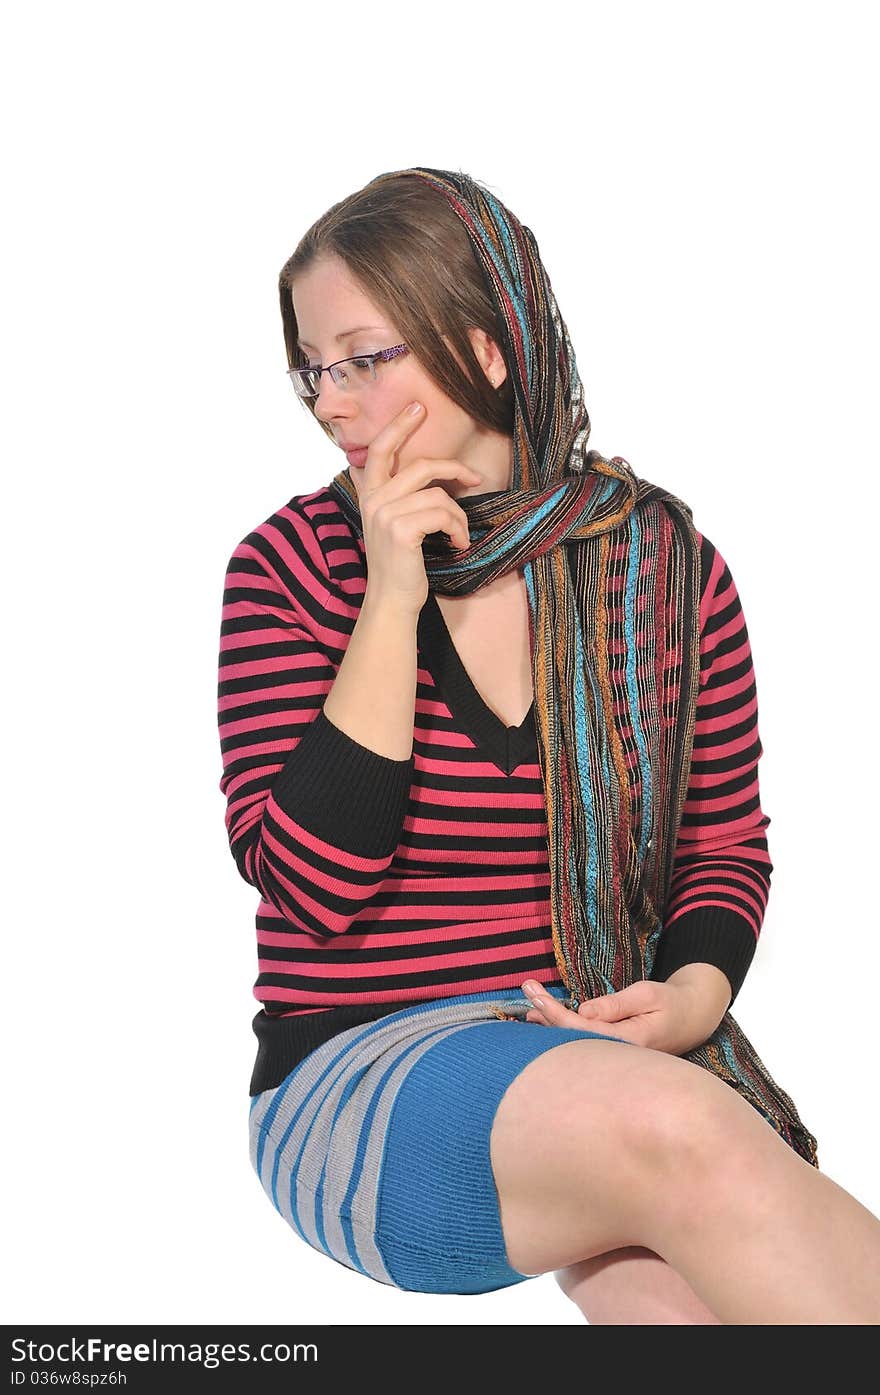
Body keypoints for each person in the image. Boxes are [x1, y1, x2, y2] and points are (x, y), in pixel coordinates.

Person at [217, 166, 880, 1323]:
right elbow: (312, 892)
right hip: (357, 1082)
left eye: (362, 358)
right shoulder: (288, 572)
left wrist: (689, 994)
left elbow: (721, 847)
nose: (330, 401)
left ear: (482, 348)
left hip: (586, 1059)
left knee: (695, 1308)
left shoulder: (664, 572)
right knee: (690, 1131)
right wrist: (387, 603)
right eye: (312, 367)